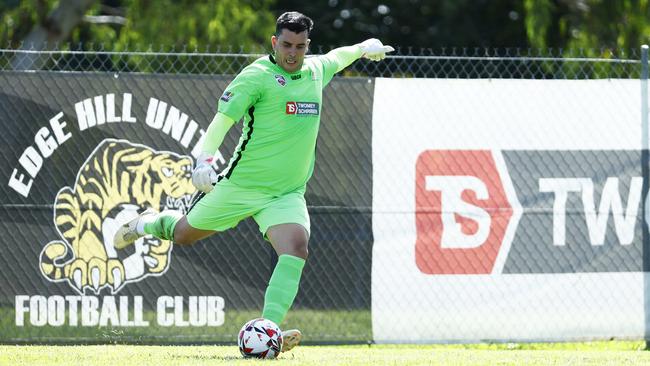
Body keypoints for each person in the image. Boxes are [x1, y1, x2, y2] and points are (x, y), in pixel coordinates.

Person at [114, 11, 393, 353]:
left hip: (287, 193)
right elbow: (221, 121)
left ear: (308, 46)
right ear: (275, 42)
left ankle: (268, 330)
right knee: (184, 235)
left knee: (296, 249)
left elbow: (339, 56)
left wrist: (365, 46)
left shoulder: (316, 70)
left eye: (300, 46)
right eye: (286, 45)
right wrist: (203, 161)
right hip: (241, 186)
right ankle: (144, 223)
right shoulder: (257, 76)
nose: (293, 52)